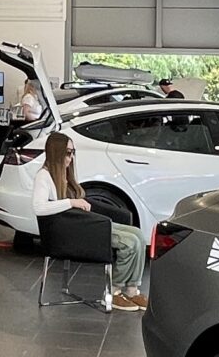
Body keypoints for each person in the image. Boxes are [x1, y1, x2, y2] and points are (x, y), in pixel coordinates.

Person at [33, 133, 148, 311]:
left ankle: (131, 290)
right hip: (69, 233)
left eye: (73, 152)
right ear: (57, 152)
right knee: (129, 242)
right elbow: (39, 208)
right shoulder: (44, 176)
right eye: (68, 152)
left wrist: (75, 202)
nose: (71, 157)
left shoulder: (64, 174)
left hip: (83, 225)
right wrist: (71, 202)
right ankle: (114, 291)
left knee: (138, 235)